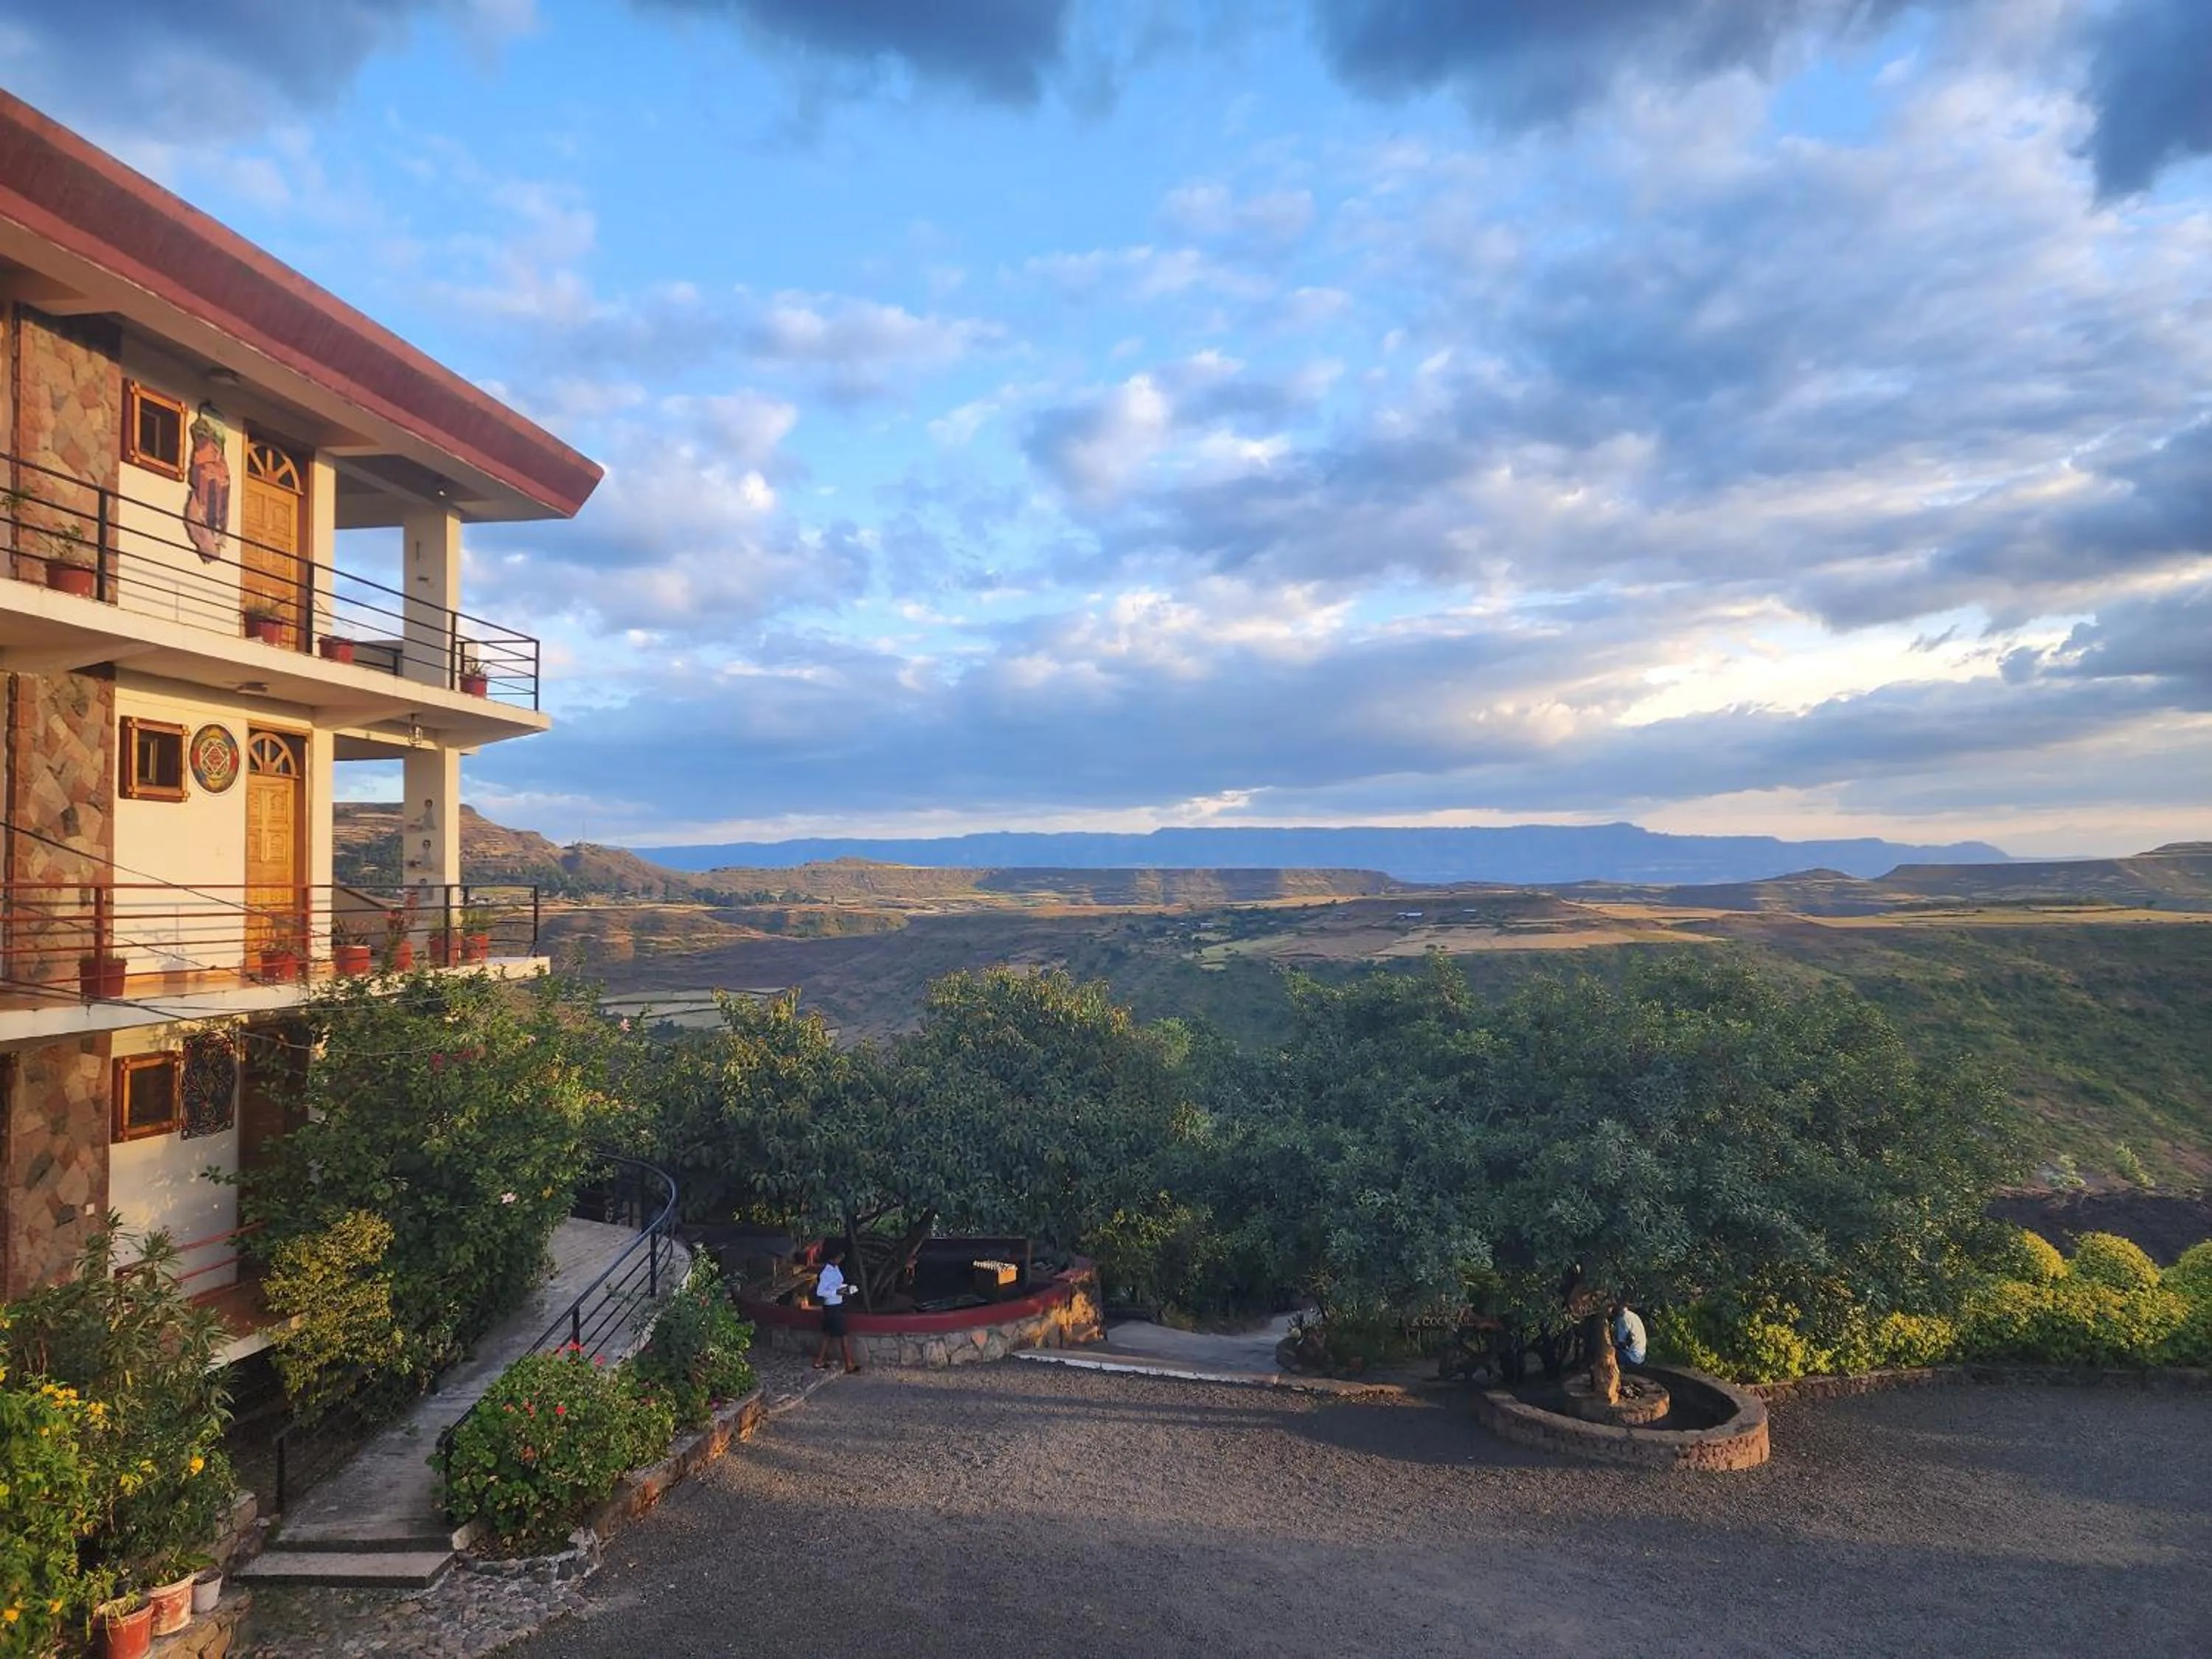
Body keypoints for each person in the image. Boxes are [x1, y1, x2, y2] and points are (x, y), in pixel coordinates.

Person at [812, 1239, 861, 1374]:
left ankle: (819, 1361)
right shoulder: (826, 1273)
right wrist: (837, 1292)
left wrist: (845, 1289)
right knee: (843, 1335)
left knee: (828, 1334)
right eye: (839, 1256)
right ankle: (848, 1364)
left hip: (836, 1304)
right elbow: (820, 1292)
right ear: (833, 1257)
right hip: (832, 1307)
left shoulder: (835, 1269)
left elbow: (836, 1284)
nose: (841, 1259)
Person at [1610, 1298, 1647, 1369]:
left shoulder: (1622, 1319)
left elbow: (1621, 1342)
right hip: (1641, 1357)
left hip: (1632, 1358)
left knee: (1606, 1353)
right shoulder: (1634, 1316)